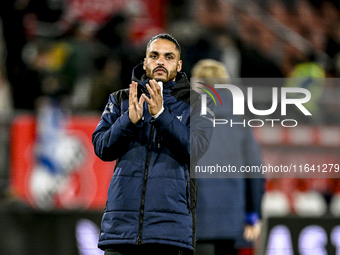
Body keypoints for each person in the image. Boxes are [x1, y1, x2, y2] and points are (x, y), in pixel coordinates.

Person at [92, 34, 214, 255]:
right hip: (121, 229)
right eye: (154, 56)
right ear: (145, 61)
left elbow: (197, 150)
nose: (160, 61)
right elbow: (102, 148)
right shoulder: (120, 99)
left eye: (168, 57)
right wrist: (128, 121)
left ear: (178, 65)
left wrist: (160, 115)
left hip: (169, 233)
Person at [191, 59, 264, 255]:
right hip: (233, 217)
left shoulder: (185, 116)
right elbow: (255, 171)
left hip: (195, 220)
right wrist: (254, 213)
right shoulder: (241, 119)